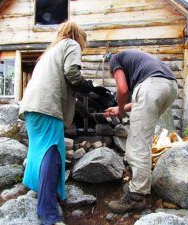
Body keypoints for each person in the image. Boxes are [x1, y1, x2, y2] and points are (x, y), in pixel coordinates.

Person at [19, 21, 93, 225]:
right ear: (79, 37)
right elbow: (72, 72)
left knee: (39, 150)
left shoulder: (49, 52)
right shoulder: (72, 45)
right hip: (47, 106)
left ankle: (40, 190)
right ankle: (48, 213)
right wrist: (84, 85)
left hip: (31, 106)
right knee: (51, 153)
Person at [105, 50, 178, 213]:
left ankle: (136, 197)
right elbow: (140, 99)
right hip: (170, 86)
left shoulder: (115, 59)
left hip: (152, 87)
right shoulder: (139, 61)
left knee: (138, 143)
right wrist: (120, 108)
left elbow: (122, 90)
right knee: (144, 137)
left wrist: (122, 110)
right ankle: (138, 181)